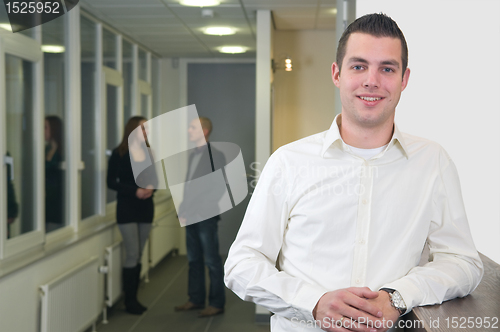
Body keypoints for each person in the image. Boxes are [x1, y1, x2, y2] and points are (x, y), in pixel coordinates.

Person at [224, 13, 483, 332]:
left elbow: (463, 262)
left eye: (387, 68)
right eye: (358, 66)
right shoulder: (288, 162)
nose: (371, 81)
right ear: (337, 73)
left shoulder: (432, 161)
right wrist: (314, 302)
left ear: (404, 79)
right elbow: (242, 264)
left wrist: (398, 297)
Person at [175, 117, 226, 317]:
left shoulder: (216, 155)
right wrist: (184, 208)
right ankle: (195, 299)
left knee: (212, 260)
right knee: (193, 259)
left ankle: (216, 303)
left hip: (205, 215)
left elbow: (219, 186)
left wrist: (202, 210)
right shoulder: (192, 155)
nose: (189, 130)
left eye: (193, 127)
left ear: (204, 131)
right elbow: (190, 186)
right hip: (190, 215)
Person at [107, 116, 155, 315]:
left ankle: (134, 298)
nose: (146, 132)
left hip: (145, 208)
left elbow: (156, 179)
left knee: (139, 255)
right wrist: (134, 191)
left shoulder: (150, 153)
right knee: (132, 253)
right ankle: (130, 301)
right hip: (127, 208)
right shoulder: (119, 154)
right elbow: (111, 182)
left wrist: (151, 188)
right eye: (142, 128)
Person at [45, 115, 64, 232]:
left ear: (54, 129)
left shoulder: (61, 151)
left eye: (45, 127)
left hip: (56, 203)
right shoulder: (46, 149)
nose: (42, 131)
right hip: (46, 201)